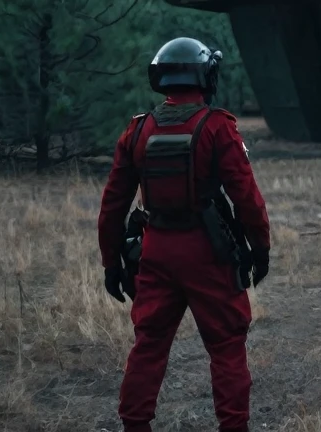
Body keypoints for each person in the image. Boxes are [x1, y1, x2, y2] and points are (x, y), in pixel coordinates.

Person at [97, 37, 272, 432]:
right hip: (209, 253)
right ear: (205, 75)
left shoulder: (137, 130)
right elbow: (246, 197)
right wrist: (260, 248)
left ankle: (135, 425)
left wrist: (111, 263)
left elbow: (112, 207)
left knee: (148, 345)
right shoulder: (218, 127)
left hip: (155, 252)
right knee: (226, 346)